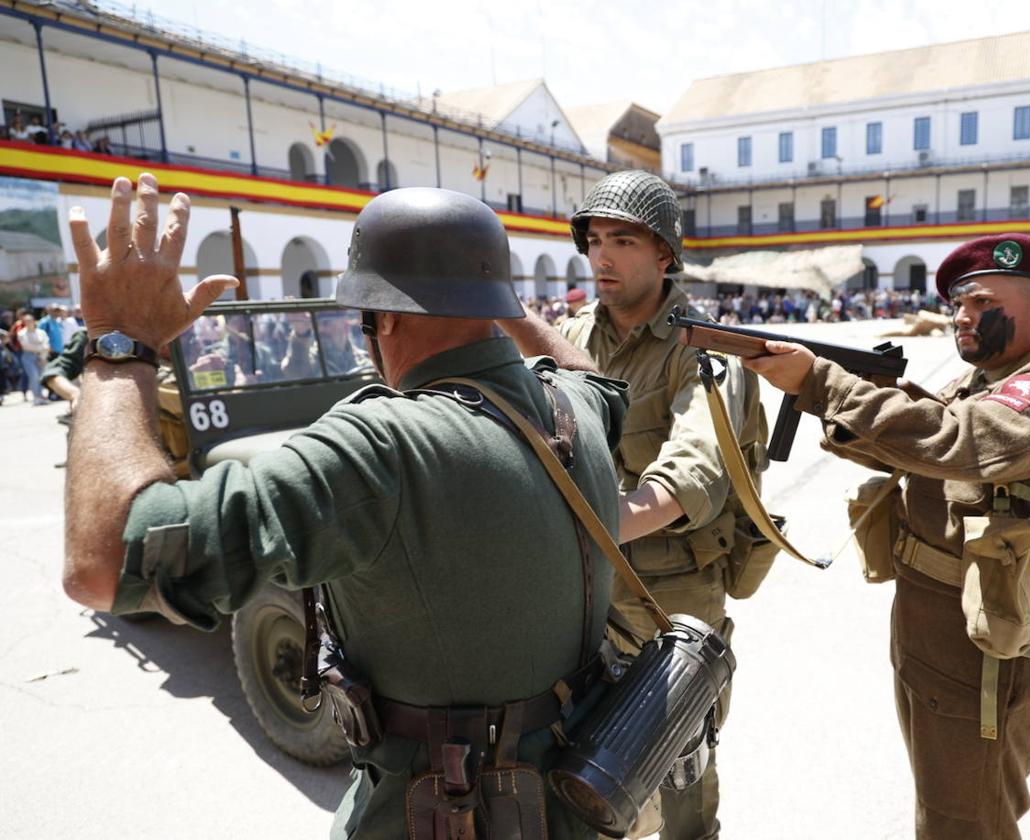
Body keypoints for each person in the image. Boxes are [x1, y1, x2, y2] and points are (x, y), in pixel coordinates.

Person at [61, 174, 628, 840]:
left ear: (381, 318)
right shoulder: (576, 410)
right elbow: (593, 377)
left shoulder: (382, 445)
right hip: (580, 794)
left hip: (442, 814)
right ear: (493, 302)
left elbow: (101, 565)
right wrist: (494, 296)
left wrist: (119, 344)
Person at [745, 233, 1030, 839]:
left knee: (967, 819)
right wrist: (829, 399)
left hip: (994, 635)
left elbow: (957, 442)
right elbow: (923, 446)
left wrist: (823, 382)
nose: (962, 319)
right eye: (957, 306)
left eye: (979, 303)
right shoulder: (991, 377)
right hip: (943, 620)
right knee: (944, 804)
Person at [504, 169, 767, 840]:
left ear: (665, 255)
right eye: (594, 240)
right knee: (583, 754)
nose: (603, 257)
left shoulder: (702, 348)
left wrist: (593, 522)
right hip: (582, 586)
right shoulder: (567, 335)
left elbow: (693, 471)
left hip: (670, 587)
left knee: (678, 754)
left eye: (624, 240)